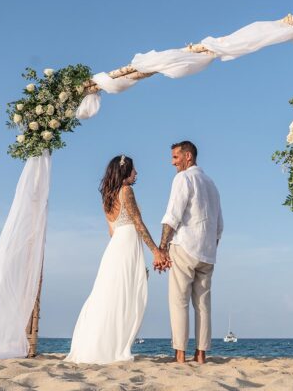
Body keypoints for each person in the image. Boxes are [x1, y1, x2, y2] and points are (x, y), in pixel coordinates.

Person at [66, 155, 167, 364]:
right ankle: (113, 347)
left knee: (109, 294)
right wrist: (156, 251)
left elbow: (111, 231)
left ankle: (102, 345)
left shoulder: (107, 196)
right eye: (134, 169)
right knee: (123, 295)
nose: (136, 173)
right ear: (125, 171)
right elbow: (138, 223)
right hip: (127, 243)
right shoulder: (126, 190)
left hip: (115, 246)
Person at [156, 141, 223, 364]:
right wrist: (210, 247)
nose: (172, 162)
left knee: (179, 301)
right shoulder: (212, 184)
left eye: (175, 157)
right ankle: (201, 354)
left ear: (188, 157)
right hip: (207, 252)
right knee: (203, 304)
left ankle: (180, 354)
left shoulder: (183, 178)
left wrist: (162, 248)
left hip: (185, 246)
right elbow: (219, 225)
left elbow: (172, 215)